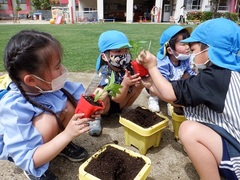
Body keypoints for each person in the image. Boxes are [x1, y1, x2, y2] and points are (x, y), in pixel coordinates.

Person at [137, 18, 240, 179]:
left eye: (193, 49)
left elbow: (171, 94)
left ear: (208, 50)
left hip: (237, 159)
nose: (191, 54)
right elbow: (182, 99)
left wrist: (151, 67)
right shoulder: (231, 73)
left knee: (188, 130)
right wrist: (151, 86)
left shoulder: (214, 77)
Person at [0, 30, 105, 179]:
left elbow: (83, 100)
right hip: (28, 153)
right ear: (31, 80)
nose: (62, 70)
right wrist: (68, 134)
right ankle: (34, 169)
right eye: (57, 67)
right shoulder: (14, 108)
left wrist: (97, 102)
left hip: (47, 137)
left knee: (70, 105)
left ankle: (58, 145)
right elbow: (26, 157)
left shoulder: (51, 86)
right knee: (48, 122)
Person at [90, 30, 144, 136]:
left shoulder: (127, 67)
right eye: (118, 51)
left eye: (126, 50)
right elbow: (116, 98)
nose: (123, 54)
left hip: (121, 103)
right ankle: (94, 118)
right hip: (106, 107)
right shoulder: (104, 72)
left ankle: (125, 109)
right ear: (105, 56)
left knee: (138, 85)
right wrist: (125, 83)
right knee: (100, 93)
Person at [148, 25, 195, 113]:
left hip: (175, 83)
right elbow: (160, 81)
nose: (187, 47)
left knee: (188, 75)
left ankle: (174, 97)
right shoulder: (163, 63)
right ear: (170, 50)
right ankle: (153, 98)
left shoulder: (185, 59)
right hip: (160, 84)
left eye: (188, 43)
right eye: (183, 44)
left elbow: (190, 72)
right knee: (154, 81)